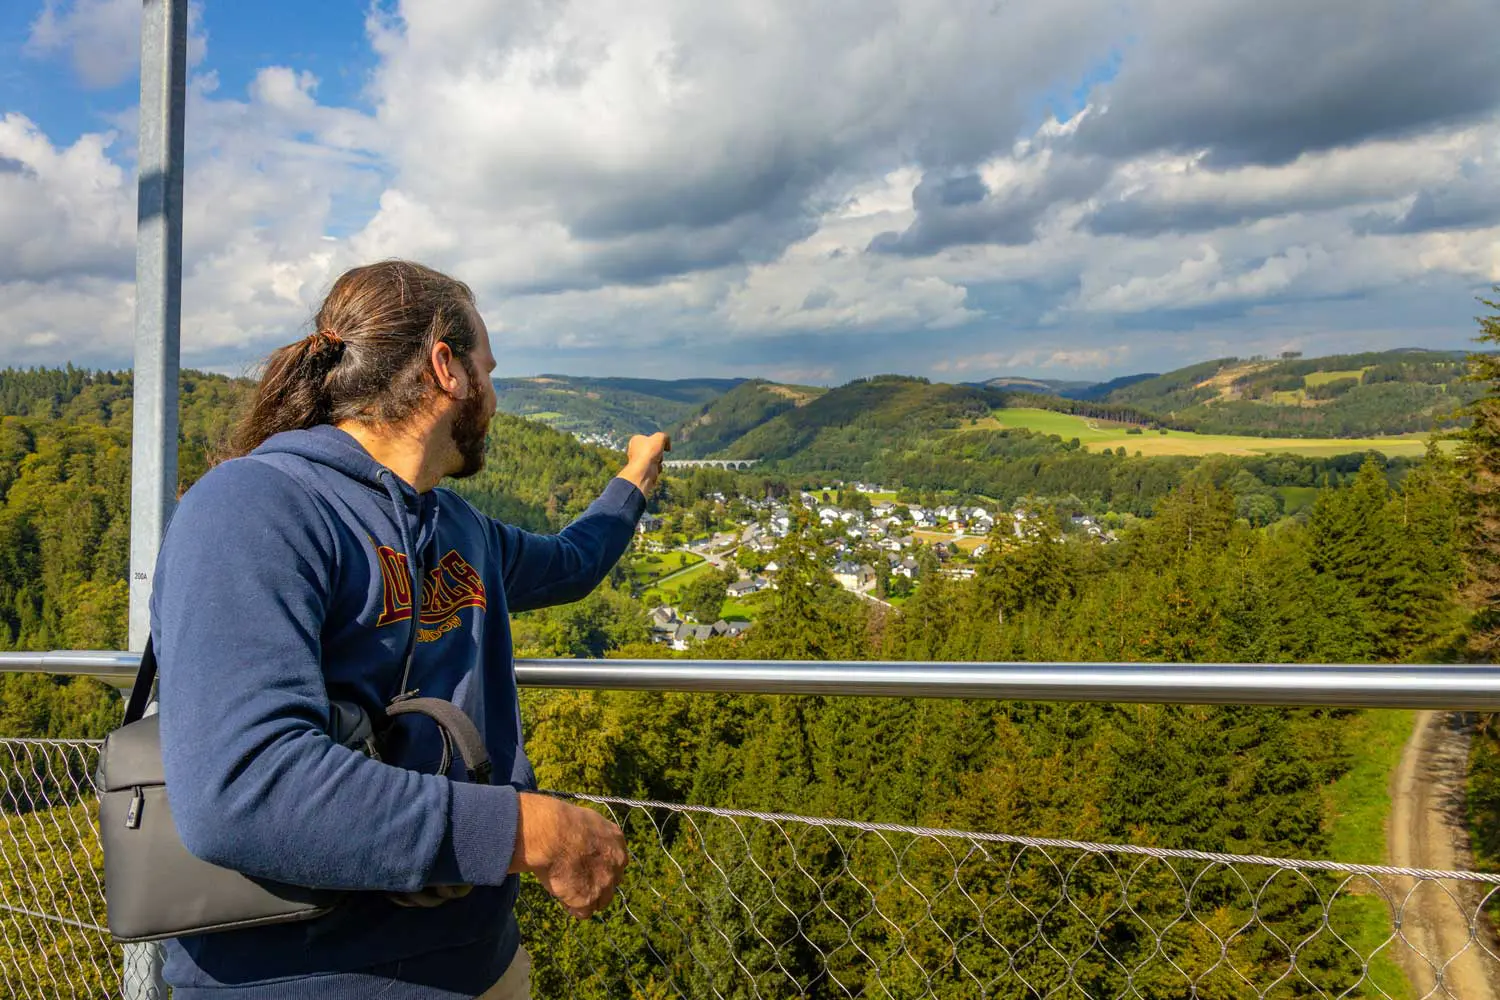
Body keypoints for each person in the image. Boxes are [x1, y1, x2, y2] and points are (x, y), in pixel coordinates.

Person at [149, 260, 668, 999]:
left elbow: (573, 563)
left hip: (476, 961)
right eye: (489, 368)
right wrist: (529, 831)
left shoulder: (458, 527)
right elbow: (245, 787)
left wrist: (634, 479)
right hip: (302, 978)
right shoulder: (254, 506)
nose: (495, 393)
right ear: (445, 368)